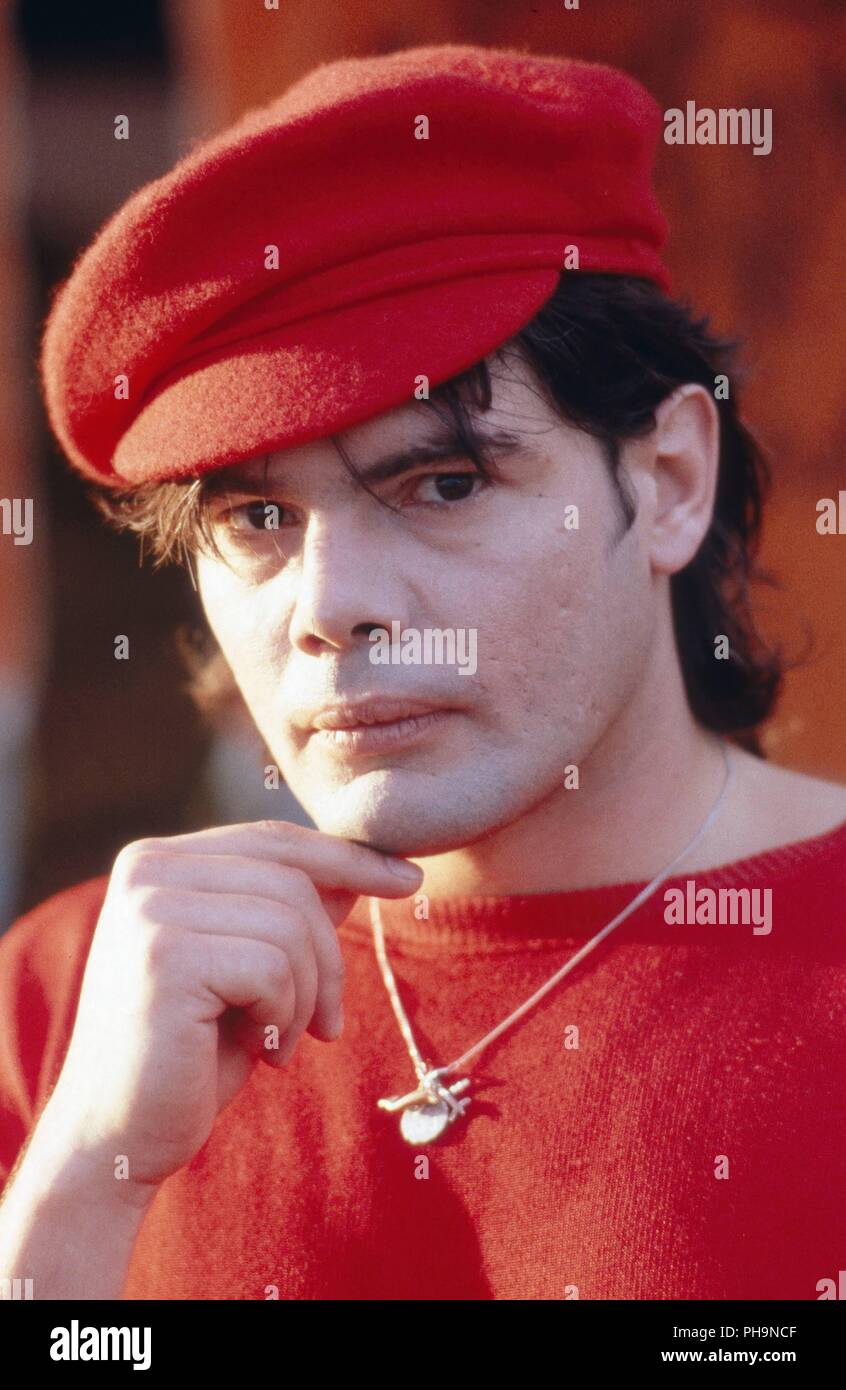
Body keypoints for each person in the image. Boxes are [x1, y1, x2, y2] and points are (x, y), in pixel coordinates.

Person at [1, 43, 844, 1302]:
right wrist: (83, 1181)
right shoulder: (72, 996)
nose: (334, 608)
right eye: (255, 521)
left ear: (668, 481)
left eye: (443, 483)